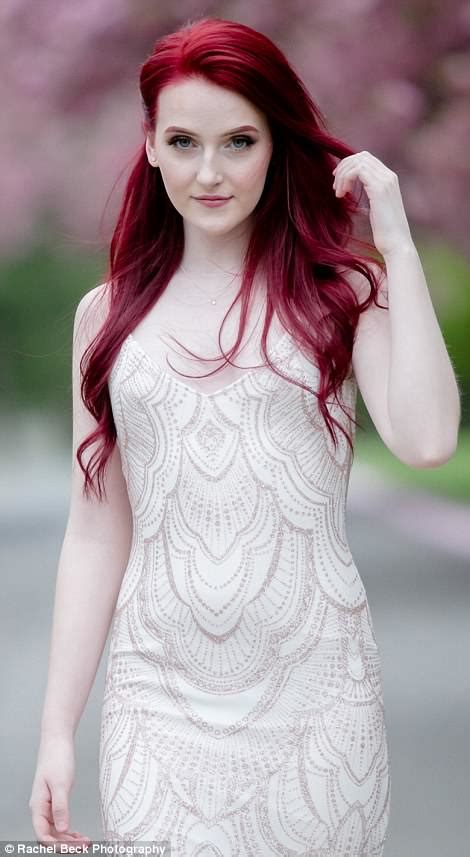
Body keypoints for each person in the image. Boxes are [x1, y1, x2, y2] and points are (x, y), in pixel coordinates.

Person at [29, 16, 461, 857]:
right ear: (150, 144)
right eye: (185, 141)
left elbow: (428, 440)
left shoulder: (341, 294)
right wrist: (55, 728)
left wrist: (397, 245)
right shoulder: (107, 319)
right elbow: (95, 528)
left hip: (320, 704)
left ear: (276, 145)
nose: (210, 171)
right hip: (156, 708)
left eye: (239, 141)